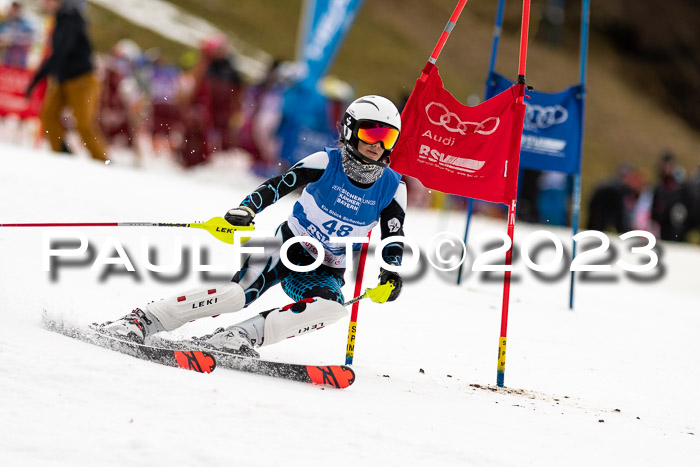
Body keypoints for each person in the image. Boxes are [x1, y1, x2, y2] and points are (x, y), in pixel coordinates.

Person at [97, 95, 407, 357]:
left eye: (388, 137)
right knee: (236, 295)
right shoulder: (326, 162)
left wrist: (390, 272)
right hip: (283, 248)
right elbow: (277, 186)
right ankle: (143, 320)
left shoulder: (393, 188)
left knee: (333, 308)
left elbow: (394, 235)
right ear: (351, 131)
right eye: (371, 134)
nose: (378, 145)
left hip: (324, 270)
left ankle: (236, 338)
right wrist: (247, 208)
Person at [25, 0, 108, 161]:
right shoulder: (61, 18)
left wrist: (38, 77)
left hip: (82, 78)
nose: (44, 3)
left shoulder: (72, 20)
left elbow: (61, 52)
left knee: (83, 123)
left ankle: (103, 160)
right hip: (64, 78)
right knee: (49, 115)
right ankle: (63, 157)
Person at [0, 1, 35, 68]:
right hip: (5, 61)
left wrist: (13, 40)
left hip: (19, 62)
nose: (13, 10)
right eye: (13, 8)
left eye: (16, 8)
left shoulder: (26, 25)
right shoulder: (5, 23)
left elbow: (30, 39)